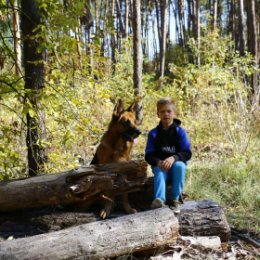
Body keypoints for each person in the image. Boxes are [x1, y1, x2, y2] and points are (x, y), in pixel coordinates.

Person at [145, 97, 192, 213]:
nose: (166, 114)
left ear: (174, 113)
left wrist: (174, 158)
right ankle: (159, 200)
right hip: (161, 167)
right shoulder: (154, 134)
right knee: (160, 171)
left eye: (169, 111)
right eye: (162, 111)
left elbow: (187, 153)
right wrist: (158, 162)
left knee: (180, 165)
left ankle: (175, 199)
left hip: (176, 168)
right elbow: (149, 155)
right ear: (158, 114)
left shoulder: (180, 132)